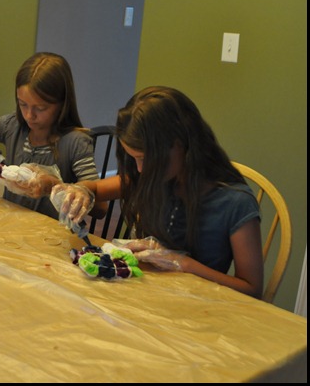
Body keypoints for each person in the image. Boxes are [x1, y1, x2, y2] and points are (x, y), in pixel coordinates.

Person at [52, 86, 263, 299]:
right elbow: (96, 188)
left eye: (144, 158)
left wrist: (183, 263)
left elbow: (251, 289)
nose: (140, 169)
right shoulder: (156, 177)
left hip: (200, 307)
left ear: (180, 144)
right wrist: (81, 191)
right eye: (133, 158)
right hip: (147, 296)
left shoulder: (235, 202)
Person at [0, 51, 107, 221]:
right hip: (11, 223)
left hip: (51, 232)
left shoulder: (75, 142)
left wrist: (54, 187)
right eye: (23, 104)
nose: (29, 115)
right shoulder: (13, 125)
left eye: (40, 108)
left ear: (62, 103)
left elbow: (101, 209)